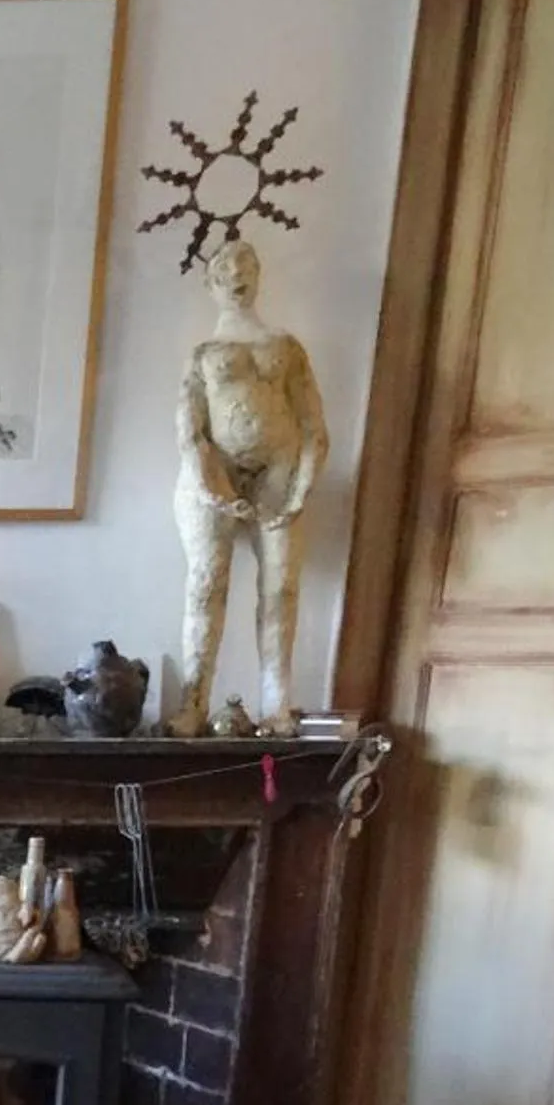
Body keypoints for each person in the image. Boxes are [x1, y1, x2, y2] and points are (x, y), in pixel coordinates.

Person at [168, 239, 328, 736]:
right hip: (213, 473)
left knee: (280, 586)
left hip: (277, 471)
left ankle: (276, 706)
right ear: (210, 282)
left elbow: (312, 426)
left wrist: (302, 488)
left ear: (258, 275)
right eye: (224, 267)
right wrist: (209, 483)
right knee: (205, 584)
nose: (237, 275)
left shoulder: (286, 347)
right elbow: (189, 431)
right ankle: (194, 703)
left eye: (247, 266)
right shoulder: (203, 354)